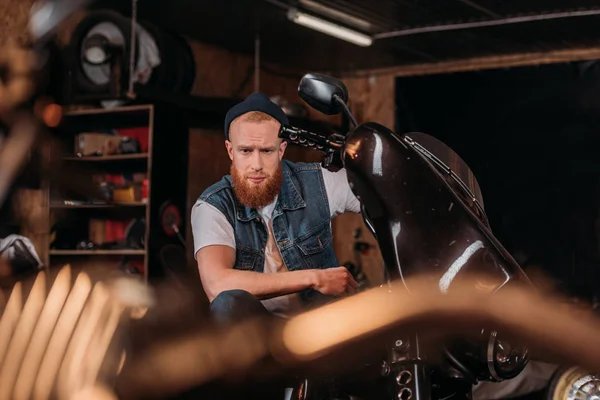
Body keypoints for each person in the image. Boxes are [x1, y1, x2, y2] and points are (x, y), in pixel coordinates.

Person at [191, 92, 361, 324]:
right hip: (259, 336)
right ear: (231, 151)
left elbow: (385, 199)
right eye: (246, 151)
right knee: (227, 303)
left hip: (321, 327)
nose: (257, 165)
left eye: (267, 151)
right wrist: (314, 278)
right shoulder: (213, 206)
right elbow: (217, 285)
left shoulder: (320, 182)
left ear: (281, 150)